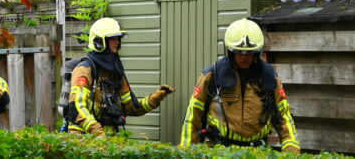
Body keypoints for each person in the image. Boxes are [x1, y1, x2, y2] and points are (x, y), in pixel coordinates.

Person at [179, 18, 300, 153]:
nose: (244, 57)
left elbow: (284, 119)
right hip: (219, 152)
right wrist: (186, 152)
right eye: (238, 52)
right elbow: (192, 117)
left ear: (257, 52)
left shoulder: (270, 79)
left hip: (258, 153)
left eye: (249, 53)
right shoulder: (212, 76)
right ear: (230, 52)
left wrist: (291, 153)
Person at [67, 17, 174, 135]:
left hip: (106, 138)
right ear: (99, 41)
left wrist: (155, 98)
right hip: (83, 138)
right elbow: (77, 108)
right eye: (112, 38)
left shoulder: (115, 71)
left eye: (118, 38)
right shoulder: (84, 69)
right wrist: (97, 131)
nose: (117, 42)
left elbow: (131, 108)